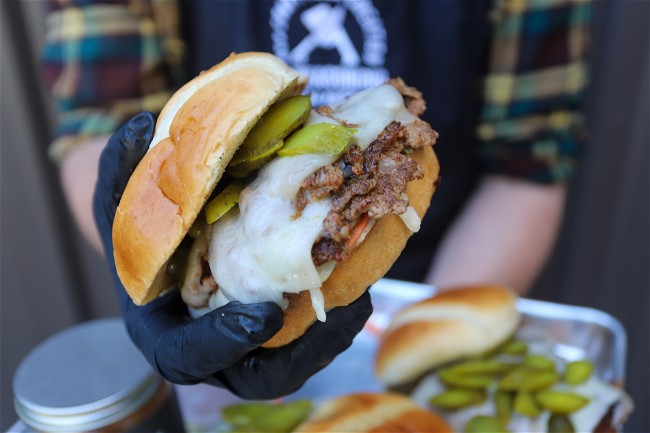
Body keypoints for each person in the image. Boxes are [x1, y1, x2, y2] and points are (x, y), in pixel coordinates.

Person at [41, 0, 591, 396]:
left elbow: (525, 166)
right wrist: (142, 253)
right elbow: (100, 117)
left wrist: (423, 346)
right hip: (224, 264)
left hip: (446, 264)